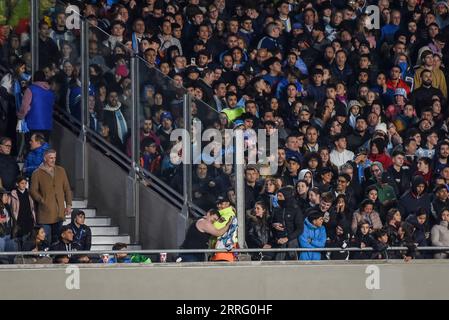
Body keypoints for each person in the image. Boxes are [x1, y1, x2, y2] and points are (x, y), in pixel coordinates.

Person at [30, 149, 72, 244]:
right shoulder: (37, 173)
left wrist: (69, 205)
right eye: (51, 158)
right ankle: (45, 258)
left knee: (57, 240)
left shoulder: (61, 170)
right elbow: (33, 190)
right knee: (46, 240)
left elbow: (67, 189)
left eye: (54, 158)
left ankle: (56, 258)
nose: (53, 160)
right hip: (45, 214)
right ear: (45, 158)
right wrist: (42, 200)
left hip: (59, 213)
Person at [16, 70, 55, 141]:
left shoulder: (31, 89)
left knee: (32, 147)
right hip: (47, 126)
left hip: (32, 125)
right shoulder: (50, 92)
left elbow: (25, 107)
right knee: (44, 148)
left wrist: (20, 116)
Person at [271, 186, 304, 260]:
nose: (277, 198)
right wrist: (274, 225)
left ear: (286, 196)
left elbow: (300, 229)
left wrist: (287, 238)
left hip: (292, 243)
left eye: (280, 196)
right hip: (278, 243)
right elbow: (270, 224)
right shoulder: (276, 209)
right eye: (277, 195)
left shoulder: (296, 210)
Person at [9, 176, 35, 241]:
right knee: (19, 240)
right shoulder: (13, 194)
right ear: (17, 184)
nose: (24, 185)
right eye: (22, 183)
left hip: (29, 220)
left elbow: (32, 207)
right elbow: (11, 208)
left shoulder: (29, 193)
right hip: (19, 220)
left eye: (25, 183)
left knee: (28, 240)